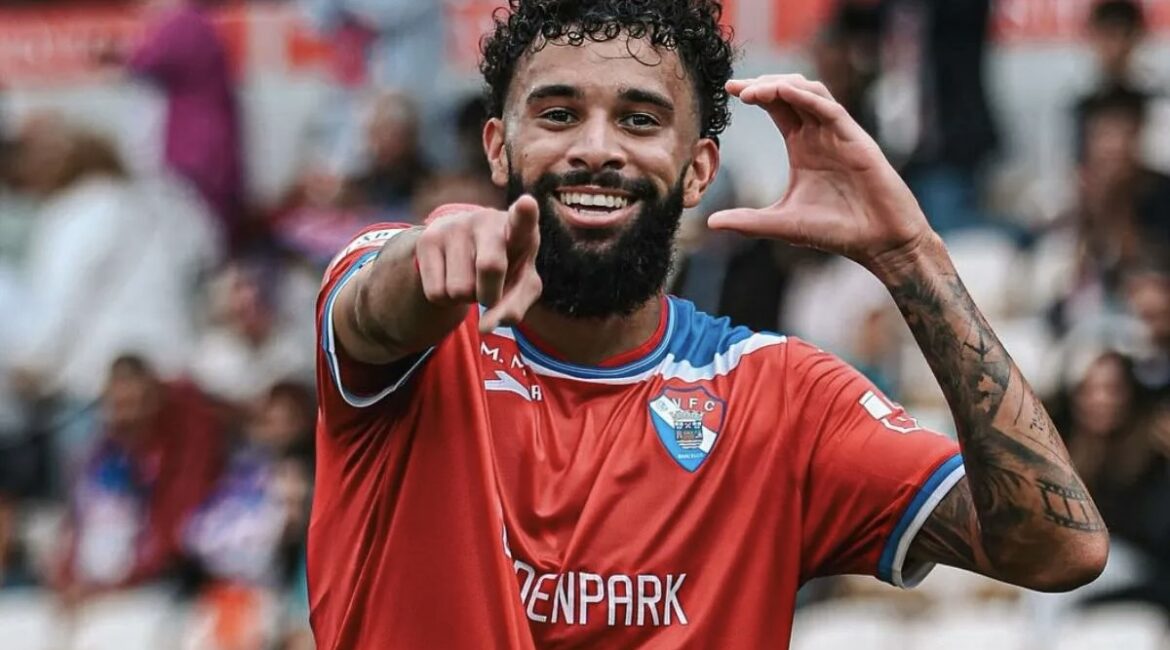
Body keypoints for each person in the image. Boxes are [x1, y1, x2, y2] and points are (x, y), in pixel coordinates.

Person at [308, 1, 1107, 647]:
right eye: (557, 113)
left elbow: (1057, 548)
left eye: (640, 119)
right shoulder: (412, 324)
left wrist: (912, 257)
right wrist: (437, 247)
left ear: (698, 170)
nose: (596, 148)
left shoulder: (782, 399)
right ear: (497, 146)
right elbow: (378, 308)